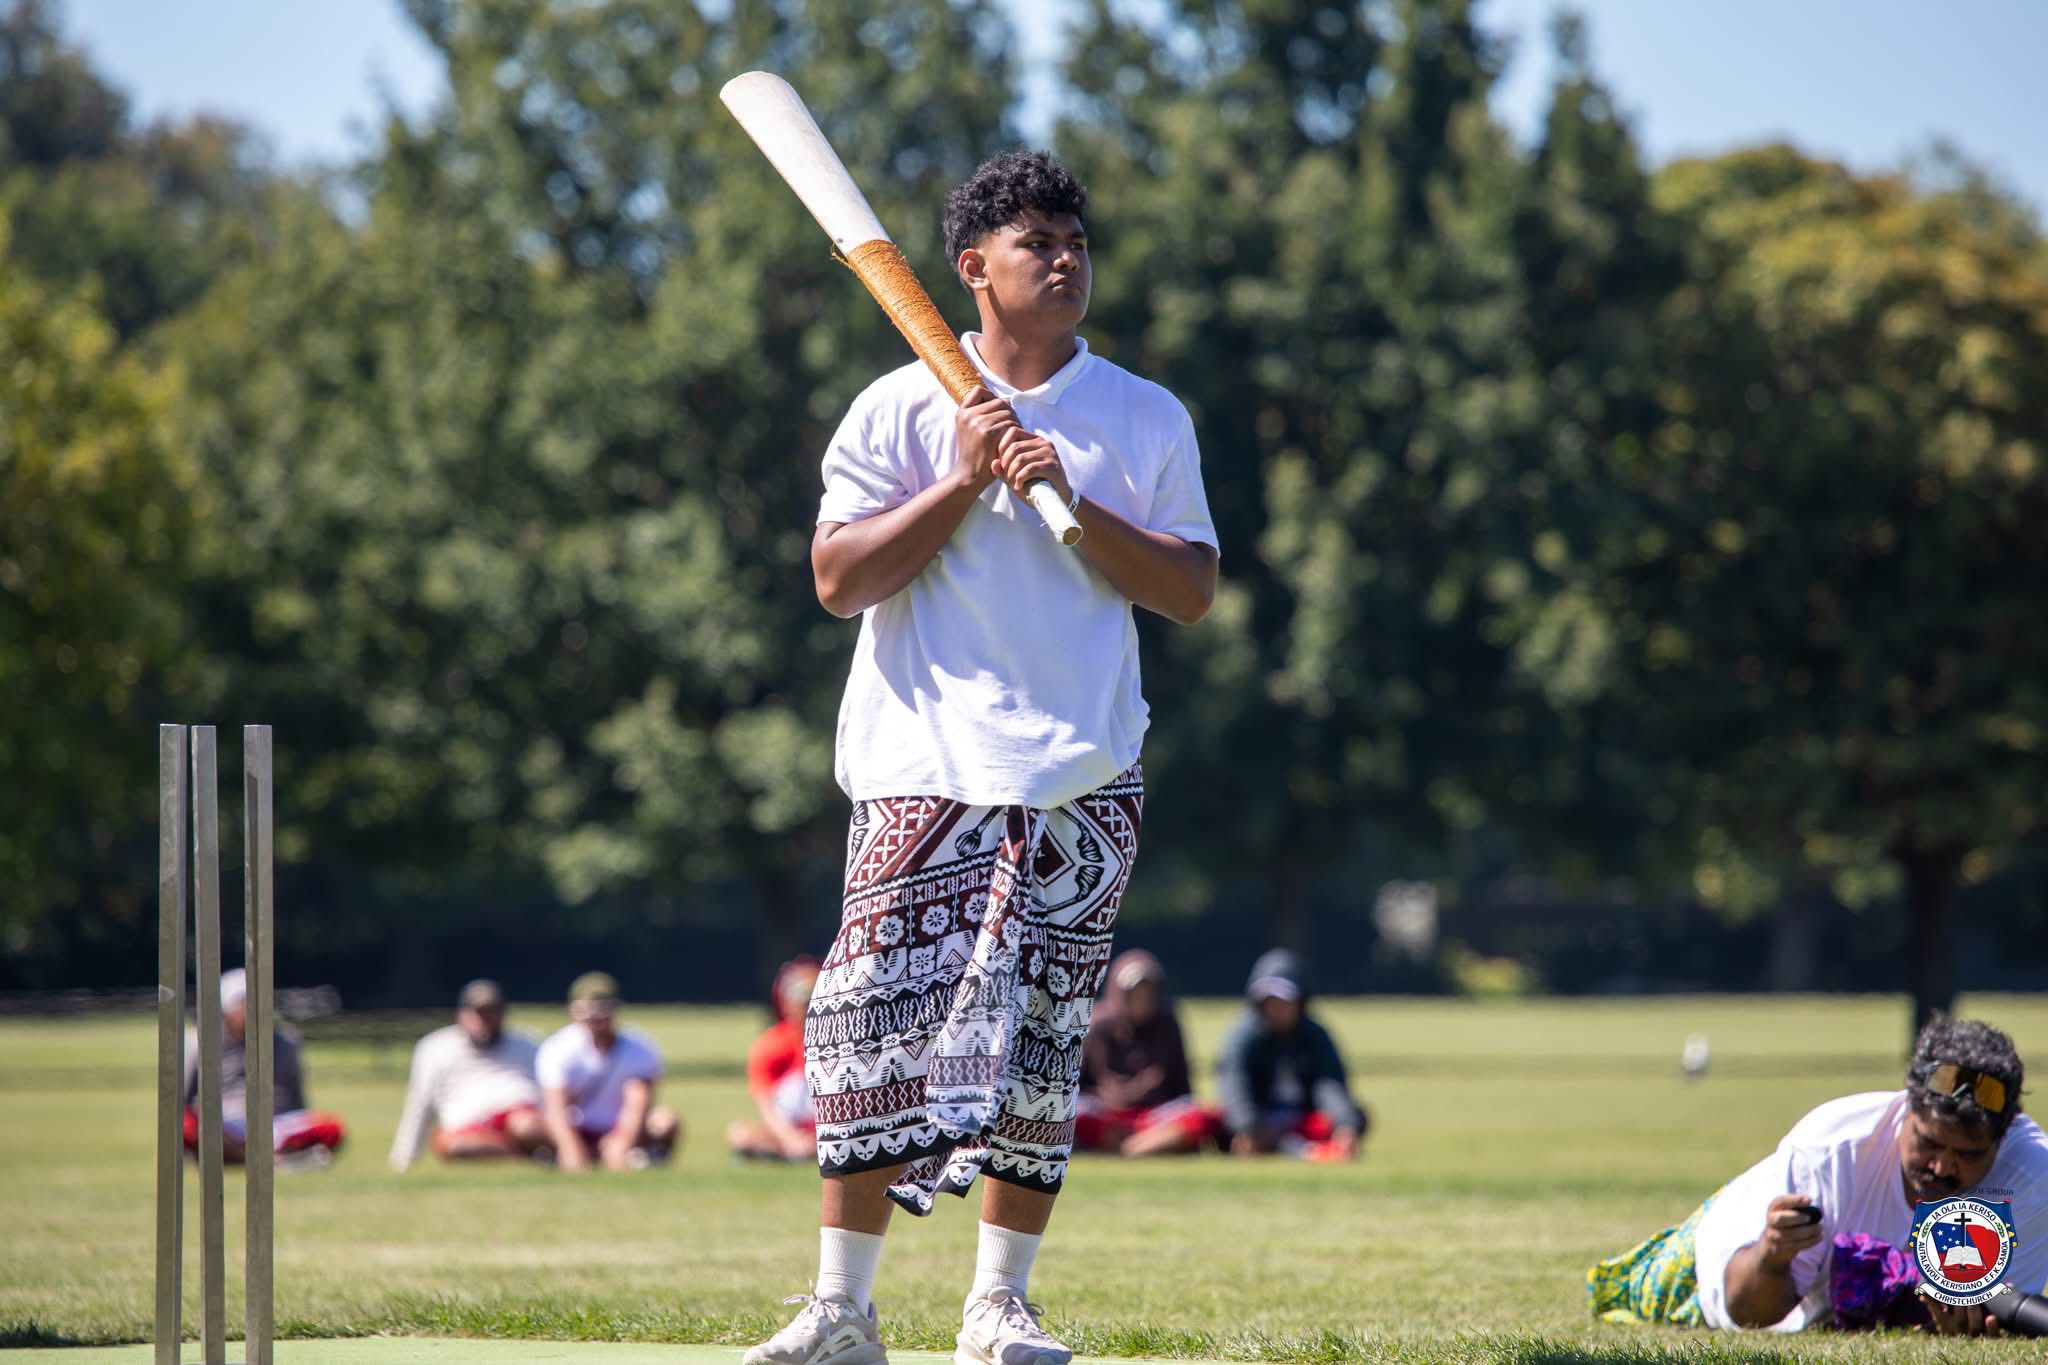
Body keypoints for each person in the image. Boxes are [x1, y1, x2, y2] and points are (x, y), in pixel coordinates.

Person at [744, 149, 1217, 1365]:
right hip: (920, 764)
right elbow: (837, 579)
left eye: (1076, 242)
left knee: (1042, 1047)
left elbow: (1189, 591)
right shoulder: (894, 407)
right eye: (1035, 243)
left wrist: (1071, 499)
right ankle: (841, 1311)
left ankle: (997, 1306)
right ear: (972, 267)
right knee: (866, 1026)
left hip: (1081, 774)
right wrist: (959, 481)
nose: (1064, 262)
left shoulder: (1142, 415)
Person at [1588, 1016, 2048, 1335]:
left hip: (1829, 1302)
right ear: (1905, 1107)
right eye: (1929, 1143)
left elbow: (1998, 1314)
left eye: (1967, 1154)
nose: (1943, 1166)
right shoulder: (1831, 1148)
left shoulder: (2031, 1176)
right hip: (1727, 1248)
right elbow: (1750, 1313)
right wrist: (1773, 1254)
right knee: (1626, 1296)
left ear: (2003, 1135)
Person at [183, 968, 347, 1166]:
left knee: (331, 1127)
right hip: (225, 1123)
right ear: (226, 1010)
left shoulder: (286, 1042)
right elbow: (185, 1099)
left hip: (275, 1124)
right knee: (186, 1124)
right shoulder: (200, 1042)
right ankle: (268, 1160)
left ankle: (248, 1157)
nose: (250, 1010)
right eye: (242, 1003)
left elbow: (297, 1099)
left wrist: (302, 1126)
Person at [1214, 949, 1367, 1161]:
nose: (1276, 1009)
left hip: (1301, 1118)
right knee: (1209, 1121)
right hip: (1260, 1119)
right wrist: (1247, 1125)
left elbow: (1329, 1084)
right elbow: (1235, 1083)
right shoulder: (1244, 1036)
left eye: (1284, 1001)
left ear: (1301, 1002)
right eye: (1270, 1001)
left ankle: (1304, 1147)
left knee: (1354, 1118)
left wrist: (1345, 1124)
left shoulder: (1315, 1036)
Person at [388, 979, 548, 1171]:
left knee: (525, 1126)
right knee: (455, 1144)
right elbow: (421, 1103)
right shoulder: (435, 1048)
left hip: (517, 1112)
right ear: (461, 1015)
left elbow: (550, 1094)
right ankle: (528, 1159)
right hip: (468, 1127)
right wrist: (404, 1158)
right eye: (478, 1014)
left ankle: (564, 1154)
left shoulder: (527, 1044)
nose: (484, 1022)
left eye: (491, 1013)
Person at [1075, 950, 1221, 1156]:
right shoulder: (1097, 1024)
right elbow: (1076, 1087)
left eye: (1148, 994)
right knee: (1070, 1114)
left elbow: (1183, 1090)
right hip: (1106, 1114)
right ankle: (1141, 1146)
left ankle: (1132, 1146)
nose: (1142, 1001)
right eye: (1135, 995)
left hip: (1155, 1117)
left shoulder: (1168, 1024)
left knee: (1204, 1116)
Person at [535, 972, 680, 1173]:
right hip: (577, 1128)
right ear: (573, 1011)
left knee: (665, 1121)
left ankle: (643, 1156)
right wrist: (571, 1150)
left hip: (617, 1127)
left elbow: (637, 1102)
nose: (596, 1017)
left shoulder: (639, 1048)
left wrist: (622, 1141)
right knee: (529, 1124)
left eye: (603, 1009)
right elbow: (556, 1108)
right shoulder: (558, 1048)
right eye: (589, 1010)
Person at [729, 957, 824, 1162]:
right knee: (740, 1135)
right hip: (785, 1131)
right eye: (803, 1000)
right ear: (786, 1003)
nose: (808, 1007)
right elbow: (766, 1105)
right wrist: (791, 1139)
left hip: (828, 1131)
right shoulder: (771, 1044)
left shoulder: (838, 1041)